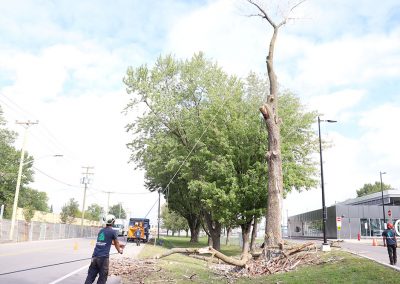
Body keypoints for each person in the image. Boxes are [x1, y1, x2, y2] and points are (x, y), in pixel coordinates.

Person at [85, 215, 125, 284]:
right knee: (102, 277)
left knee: (90, 276)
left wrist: (118, 245)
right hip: (103, 259)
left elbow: (106, 241)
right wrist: (119, 250)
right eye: (114, 221)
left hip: (94, 257)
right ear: (112, 222)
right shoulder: (113, 232)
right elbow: (116, 242)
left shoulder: (101, 231)